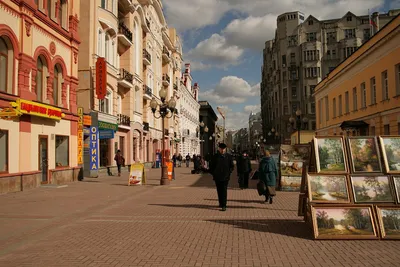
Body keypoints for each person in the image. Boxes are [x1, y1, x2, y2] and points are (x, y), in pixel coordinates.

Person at [209, 143, 234, 211]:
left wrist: (229, 172)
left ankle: (224, 205)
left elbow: (232, 166)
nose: (222, 150)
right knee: (219, 190)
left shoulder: (229, 156)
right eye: (221, 149)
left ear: (225, 149)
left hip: (225, 177)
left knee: (224, 190)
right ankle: (220, 202)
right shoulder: (215, 156)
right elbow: (211, 166)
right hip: (217, 177)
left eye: (223, 149)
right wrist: (214, 173)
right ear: (219, 149)